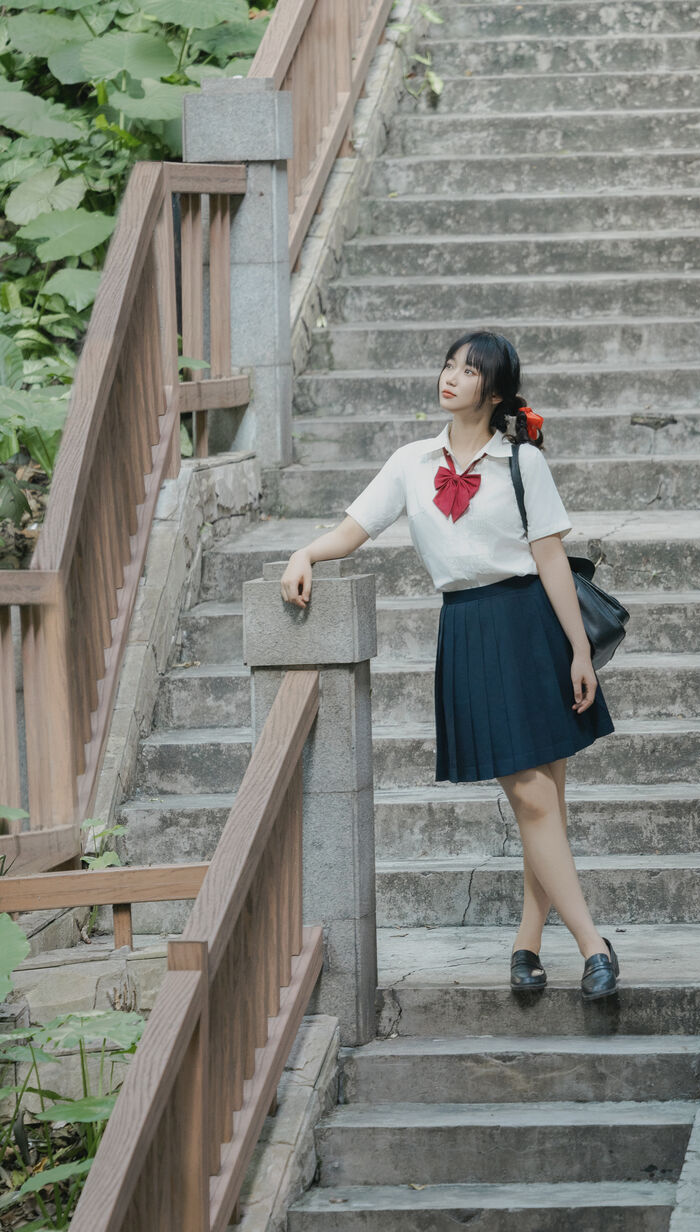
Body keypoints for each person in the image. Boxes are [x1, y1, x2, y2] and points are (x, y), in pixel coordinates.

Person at [280, 328, 620, 999]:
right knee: (532, 795)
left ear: (494, 393)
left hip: (532, 625)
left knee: (543, 798)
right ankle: (593, 944)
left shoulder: (522, 463)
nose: (451, 377)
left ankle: (529, 943)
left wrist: (580, 650)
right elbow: (354, 530)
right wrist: (305, 553)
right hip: (469, 628)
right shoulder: (411, 462)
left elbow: (551, 558)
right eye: (448, 366)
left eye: (468, 371)